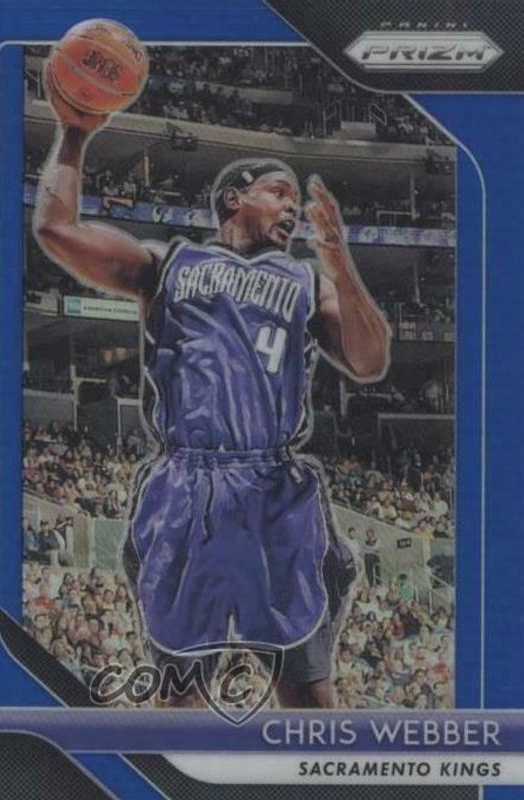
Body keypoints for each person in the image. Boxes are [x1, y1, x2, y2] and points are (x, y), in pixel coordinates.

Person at [34, 73, 390, 709]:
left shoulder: (307, 282)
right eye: (277, 193)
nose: (290, 209)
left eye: (294, 200)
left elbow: (369, 361)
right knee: (182, 691)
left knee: (308, 689)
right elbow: (57, 230)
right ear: (233, 199)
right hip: (185, 486)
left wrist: (341, 266)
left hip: (275, 490)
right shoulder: (169, 264)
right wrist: (74, 135)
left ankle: (325, 768)